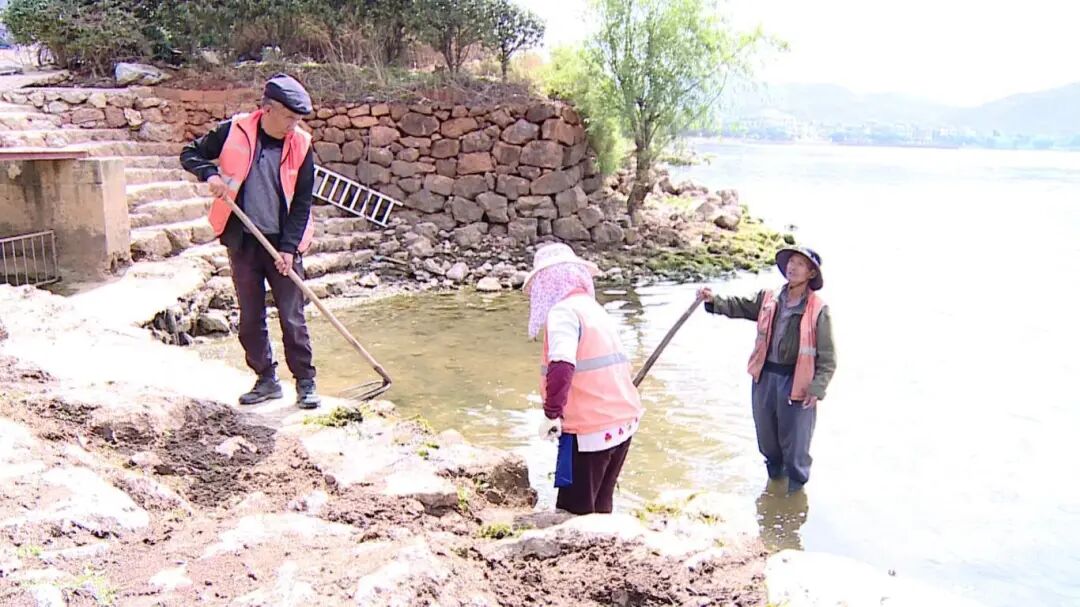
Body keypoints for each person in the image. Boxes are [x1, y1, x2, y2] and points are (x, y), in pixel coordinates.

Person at [180, 74, 321, 409]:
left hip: (284, 241)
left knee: (292, 317)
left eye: (298, 119)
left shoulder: (301, 145)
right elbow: (190, 153)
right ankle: (266, 379)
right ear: (267, 109)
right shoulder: (233, 131)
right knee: (250, 316)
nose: (293, 125)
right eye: (288, 117)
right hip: (243, 239)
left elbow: (302, 202)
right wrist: (210, 174)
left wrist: (288, 249)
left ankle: (305, 382)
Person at [698, 246, 836, 493]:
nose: (793, 267)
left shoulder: (818, 309)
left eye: (800, 264)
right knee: (767, 439)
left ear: (811, 273)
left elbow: (828, 359)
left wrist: (817, 388)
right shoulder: (769, 298)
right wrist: (714, 301)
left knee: (796, 446)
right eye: (791, 262)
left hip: (796, 384)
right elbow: (740, 306)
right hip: (765, 378)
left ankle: (795, 497)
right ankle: (774, 491)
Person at [525, 243, 644, 515]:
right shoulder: (592, 308)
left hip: (590, 431)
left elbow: (562, 364)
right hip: (622, 422)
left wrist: (551, 413)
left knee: (574, 510)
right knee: (601, 504)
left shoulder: (563, 312)